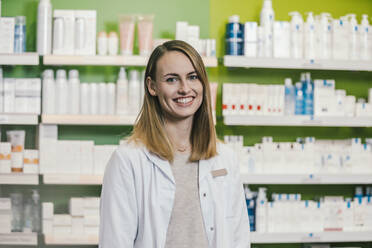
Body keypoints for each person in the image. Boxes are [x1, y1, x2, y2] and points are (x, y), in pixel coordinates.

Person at [99, 40, 250, 248]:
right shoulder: (128, 160)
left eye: (193, 77)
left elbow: (238, 237)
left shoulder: (224, 158)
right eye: (171, 80)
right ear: (152, 86)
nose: (184, 89)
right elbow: (115, 242)